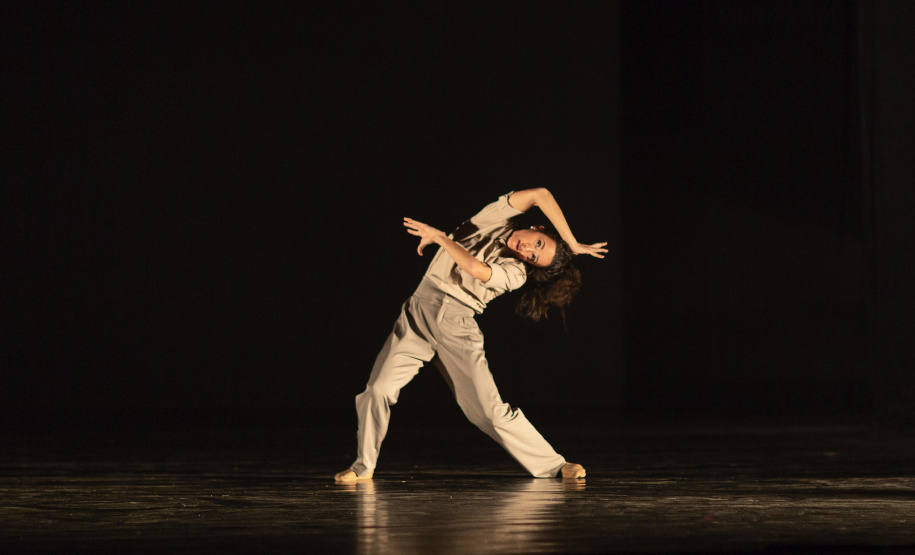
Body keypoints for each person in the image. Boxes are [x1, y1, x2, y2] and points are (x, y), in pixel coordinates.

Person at [334, 188, 607, 482]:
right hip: (416, 314)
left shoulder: (516, 272)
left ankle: (555, 465)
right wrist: (572, 241)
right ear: (537, 227)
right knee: (377, 391)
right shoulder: (494, 220)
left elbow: (477, 269)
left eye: (533, 256)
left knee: (488, 413)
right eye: (537, 243)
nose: (527, 250)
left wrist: (441, 238)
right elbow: (540, 194)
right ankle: (363, 467)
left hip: (457, 325)